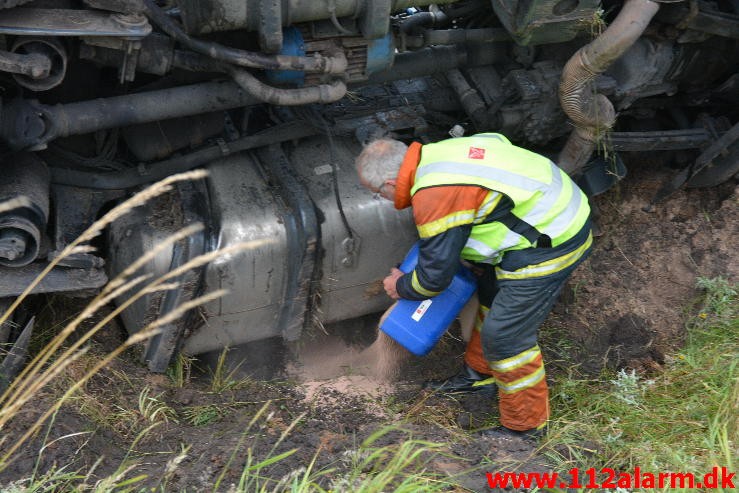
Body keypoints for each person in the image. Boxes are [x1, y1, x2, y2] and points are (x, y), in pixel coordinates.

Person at [355, 133, 593, 438]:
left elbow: (432, 281)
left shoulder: (434, 195)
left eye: (376, 194)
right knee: (491, 296)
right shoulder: (439, 153)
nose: (381, 199)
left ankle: (525, 429)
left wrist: (399, 286)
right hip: (552, 214)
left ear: (389, 184)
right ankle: (479, 376)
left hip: (554, 240)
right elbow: (496, 149)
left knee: (506, 338)